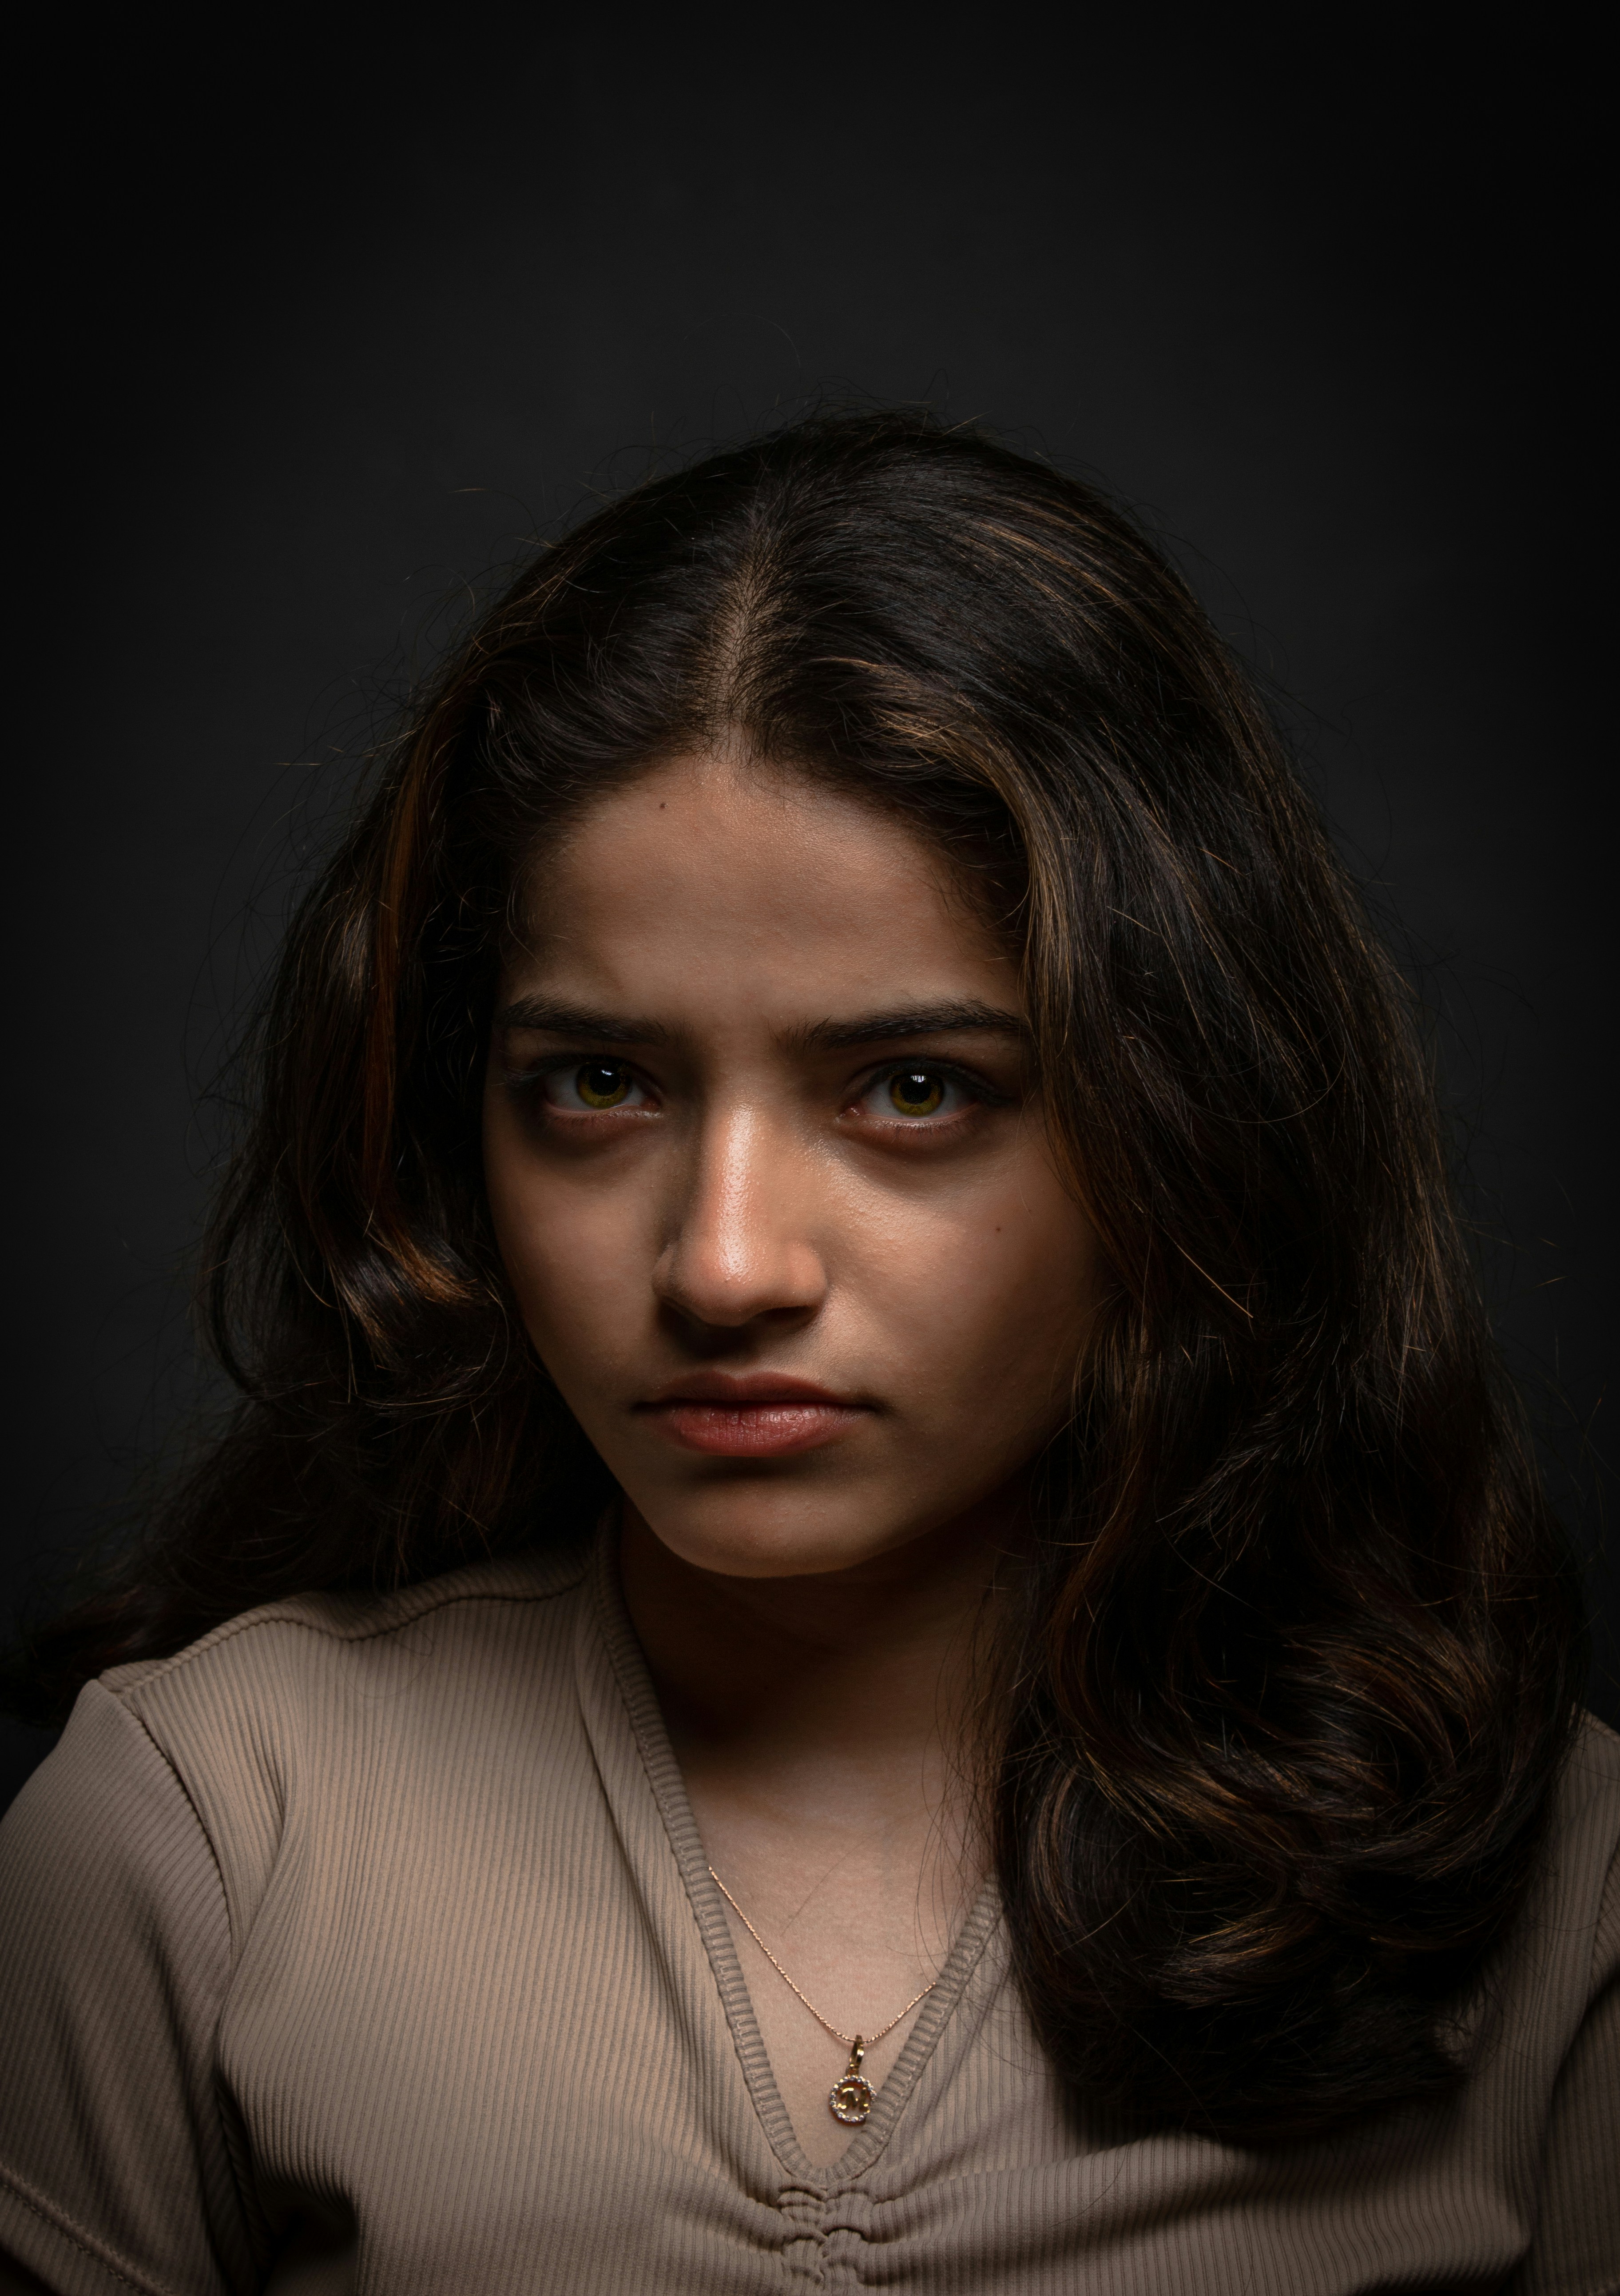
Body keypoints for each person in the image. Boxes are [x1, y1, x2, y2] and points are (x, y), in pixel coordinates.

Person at [0, 413, 1613, 2296]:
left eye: (913, 1091)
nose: (725, 1262)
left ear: (1175, 1127)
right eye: (597, 1087)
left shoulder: (1538, 1880)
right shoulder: (193, 1837)